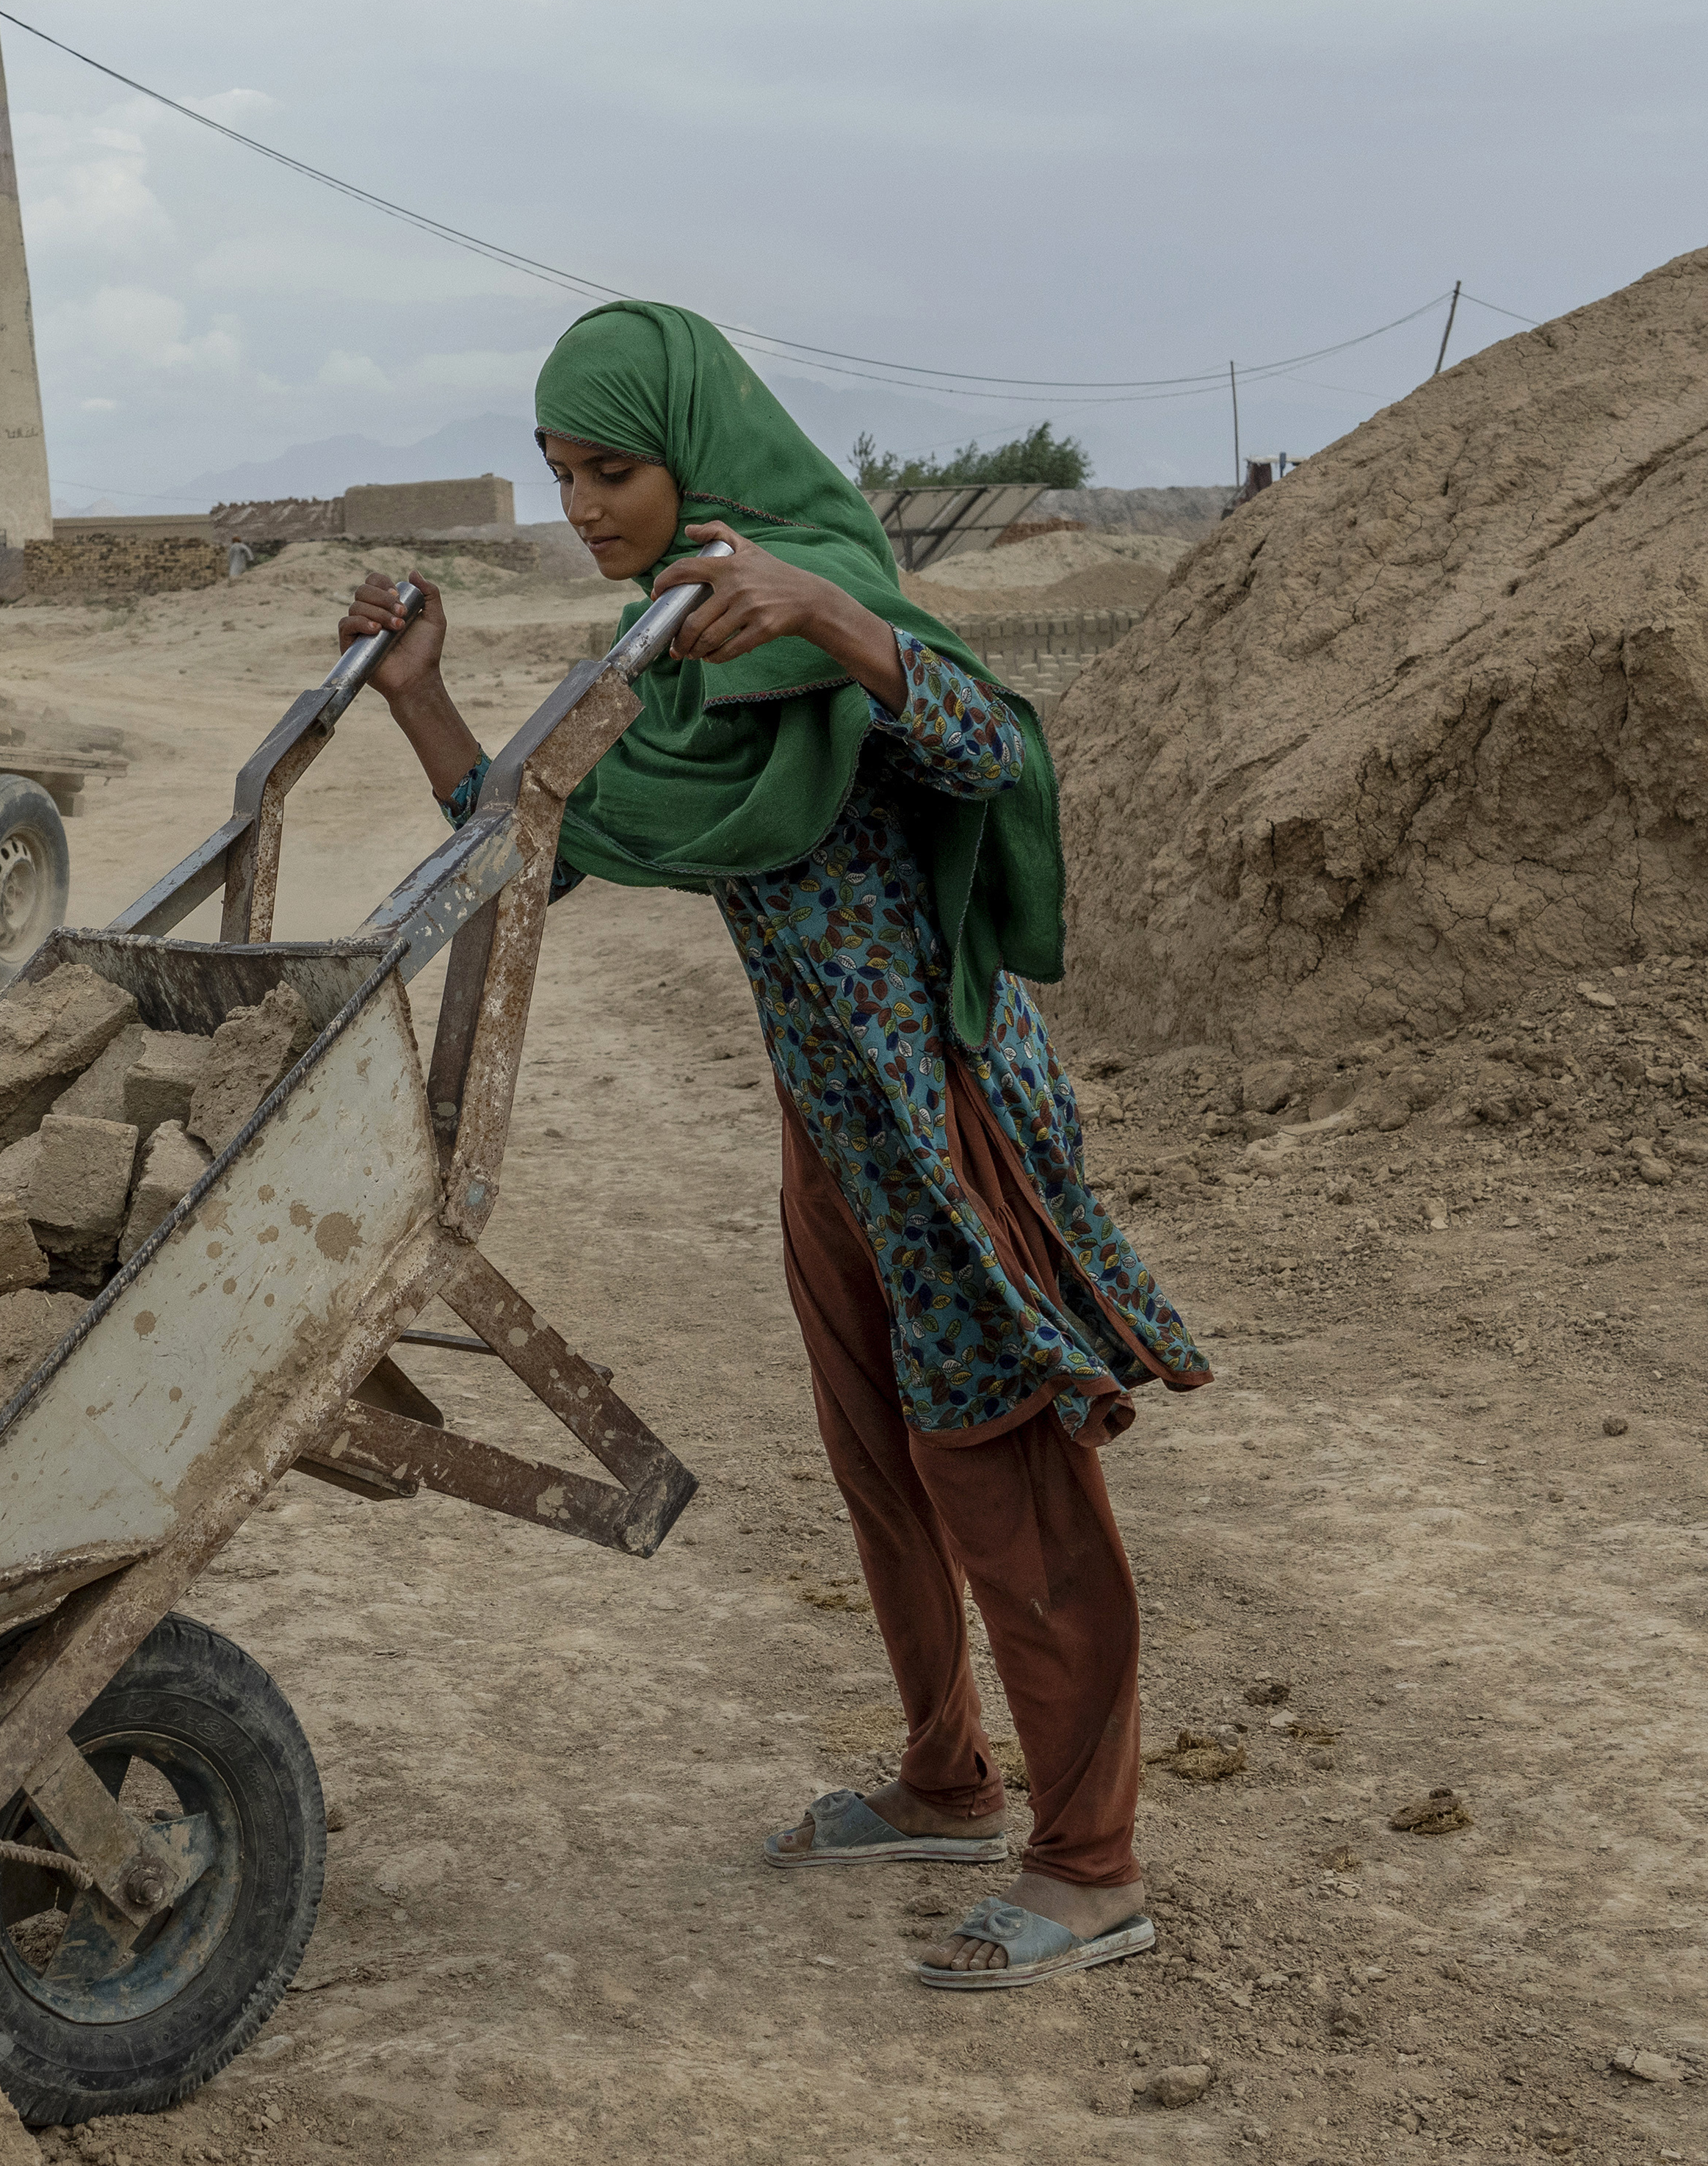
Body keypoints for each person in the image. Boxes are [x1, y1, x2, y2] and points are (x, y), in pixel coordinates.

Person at [338, 300, 1209, 1992]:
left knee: (1003, 1470)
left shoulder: (815, 601)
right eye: (559, 476)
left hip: (941, 1117)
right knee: (875, 1455)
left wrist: (829, 612)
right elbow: (546, 839)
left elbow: (993, 745)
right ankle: (945, 1783)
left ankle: (1092, 1865)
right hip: (833, 1132)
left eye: (612, 471)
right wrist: (422, 699)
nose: (584, 507)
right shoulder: (672, 654)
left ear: (697, 458)